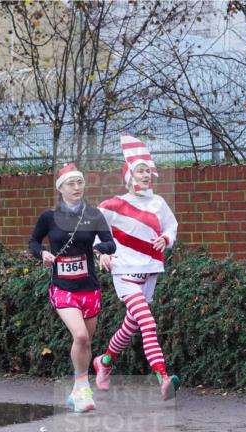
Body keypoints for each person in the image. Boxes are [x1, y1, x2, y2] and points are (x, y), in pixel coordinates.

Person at [94, 135, 180, 401]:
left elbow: (171, 227)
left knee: (130, 326)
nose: (146, 175)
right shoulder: (113, 205)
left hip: (149, 271)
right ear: (129, 175)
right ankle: (162, 376)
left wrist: (165, 239)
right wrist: (100, 252)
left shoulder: (159, 203)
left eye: (148, 171)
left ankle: (105, 361)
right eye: (140, 170)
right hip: (124, 272)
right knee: (147, 321)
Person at [29, 163, 116, 412]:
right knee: (79, 335)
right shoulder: (49, 217)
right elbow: (33, 241)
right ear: (61, 188)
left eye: (80, 182)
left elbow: (111, 242)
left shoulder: (93, 214)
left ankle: (78, 391)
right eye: (71, 183)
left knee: (86, 342)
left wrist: (101, 251)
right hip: (62, 286)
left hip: (89, 286)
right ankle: (84, 388)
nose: (77, 187)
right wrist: (42, 253)